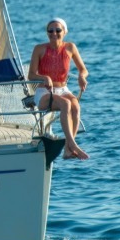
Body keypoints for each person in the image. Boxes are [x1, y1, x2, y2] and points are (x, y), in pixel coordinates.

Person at [27, 17, 89, 160]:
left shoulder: (70, 47)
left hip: (63, 89)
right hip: (44, 92)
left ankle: (67, 150)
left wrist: (81, 77)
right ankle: (72, 145)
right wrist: (44, 78)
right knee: (65, 103)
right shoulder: (39, 49)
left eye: (58, 30)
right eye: (50, 30)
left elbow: (84, 70)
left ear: (65, 32)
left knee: (75, 105)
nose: (54, 33)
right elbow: (31, 75)